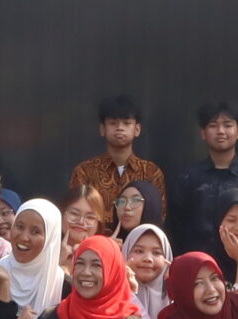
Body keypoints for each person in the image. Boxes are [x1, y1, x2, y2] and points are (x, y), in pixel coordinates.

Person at [174, 104, 238, 253]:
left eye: (227, 125)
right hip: (199, 259)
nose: (220, 131)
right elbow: (177, 224)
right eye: (213, 125)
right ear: (203, 133)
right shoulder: (188, 176)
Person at [71, 96, 170, 224]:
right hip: (96, 237)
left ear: (137, 129)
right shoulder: (84, 171)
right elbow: (76, 213)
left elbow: (158, 215)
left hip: (138, 237)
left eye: (126, 123)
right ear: (102, 129)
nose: (119, 128)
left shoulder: (151, 172)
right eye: (113, 123)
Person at [125, 224, 175, 319]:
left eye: (156, 253)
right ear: (125, 254)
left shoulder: (177, 299)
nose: (147, 258)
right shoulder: (111, 298)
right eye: (139, 251)